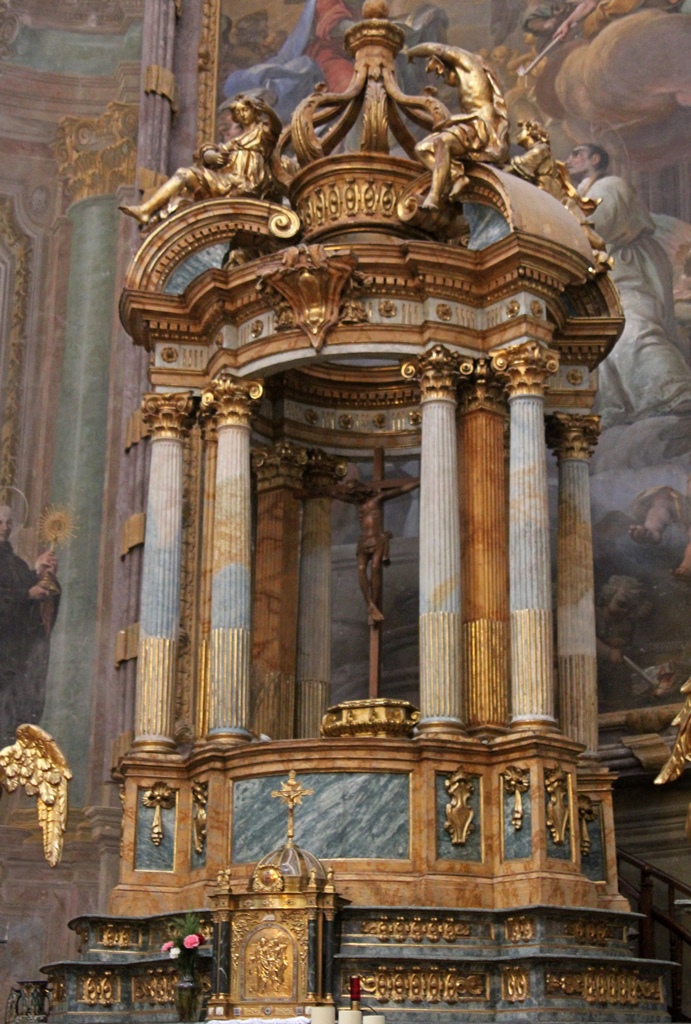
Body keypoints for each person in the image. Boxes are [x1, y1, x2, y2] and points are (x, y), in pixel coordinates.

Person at [566, 143, 691, 428]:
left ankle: (675, 390)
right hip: (605, 279)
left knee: (633, 329)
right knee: (604, 343)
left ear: (595, 159)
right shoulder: (579, 193)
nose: (569, 159)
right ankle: (621, 406)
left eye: (577, 153)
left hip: (628, 269)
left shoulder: (610, 185)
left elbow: (601, 223)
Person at [120, 95, 282, 226]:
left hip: (246, 183)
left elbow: (276, 128)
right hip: (228, 182)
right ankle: (146, 210)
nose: (242, 115)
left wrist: (269, 111)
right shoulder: (234, 143)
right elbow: (207, 152)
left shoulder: (262, 133)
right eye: (238, 113)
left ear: (254, 111)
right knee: (185, 173)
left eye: (245, 110)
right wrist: (211, 155)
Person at [406, 42, 509, 209]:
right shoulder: (468, 81)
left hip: (479, 124)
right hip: (471, 123)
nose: (446, 81)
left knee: (442, 143)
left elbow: (439, 49)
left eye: (444, 74)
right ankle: (456, 177)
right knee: (422, 149)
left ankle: (434, 196)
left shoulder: (468, 65)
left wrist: (411, 51)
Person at [0, 505, 60, 747]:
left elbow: (29, 598)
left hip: (14, 657)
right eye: (0, 522)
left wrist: (41, 575)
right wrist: (27, 594)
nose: (4, 528)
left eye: (8, 523)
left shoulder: (14, 562)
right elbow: (18, 594)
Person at [328, 477, 418, 624]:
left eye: (356, 494)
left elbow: (401, 490)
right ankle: (369, 603)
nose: (355, 497)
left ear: (361, 490)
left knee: (375, 567)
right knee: (361, 569)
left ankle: (374, 604)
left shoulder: (377, 499)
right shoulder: (358, 503)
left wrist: (420, 481)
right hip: (363, 541)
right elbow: (337, 495)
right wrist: (324, 488)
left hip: (377, 540)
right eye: (353, 495)